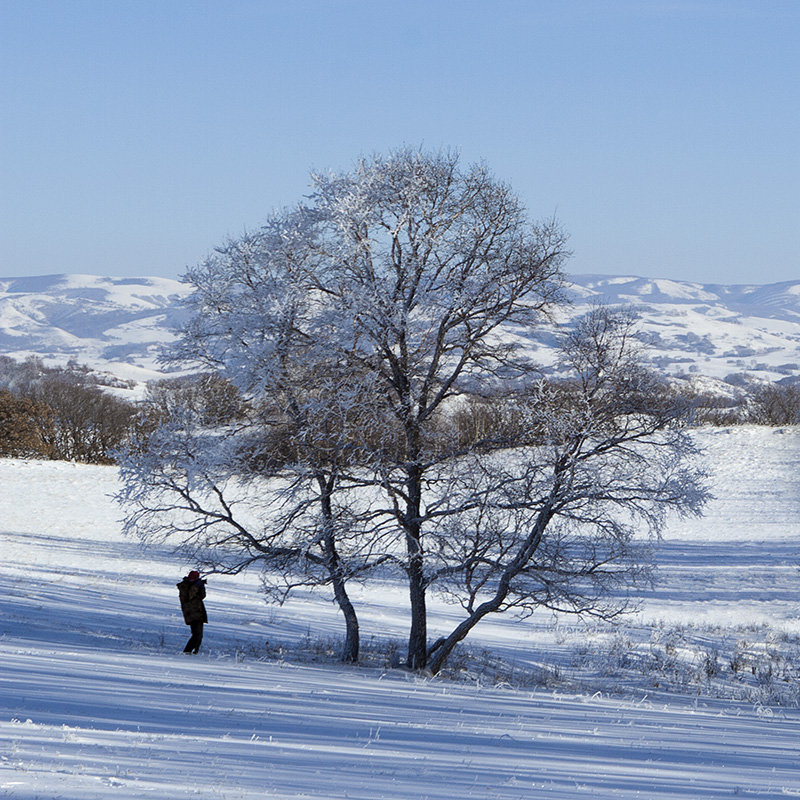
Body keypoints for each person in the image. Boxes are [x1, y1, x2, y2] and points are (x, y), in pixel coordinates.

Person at [177, 570, 207, 654]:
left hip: (199, 612)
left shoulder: (194, 585)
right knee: (196, 634)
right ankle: (187, 652)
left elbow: (202, 596)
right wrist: (196, 586)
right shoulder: (184, 586)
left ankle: (194, 651)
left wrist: (201, 587)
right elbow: (190, 597)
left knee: (199, 635)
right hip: (191, 613)